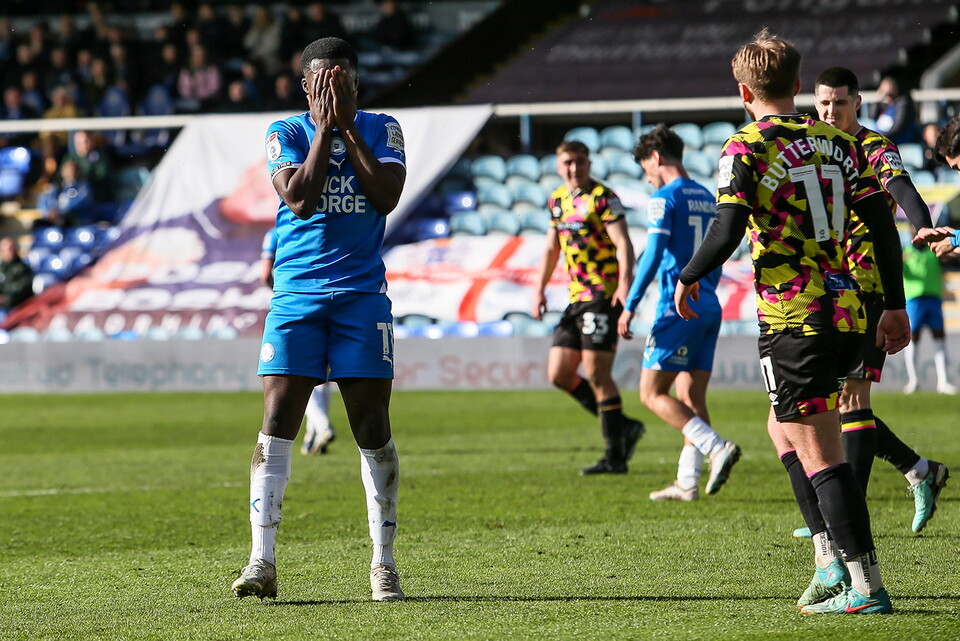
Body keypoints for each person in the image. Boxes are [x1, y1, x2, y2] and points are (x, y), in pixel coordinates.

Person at [675, 29, 910, 614]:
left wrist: (688, 275)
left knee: (821, 451)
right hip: (848, 307)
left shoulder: (746, 145)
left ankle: (862, 585)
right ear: (801, 86)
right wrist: (896, 305)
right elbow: (883, 228)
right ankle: (831, 558)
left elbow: (726, 232)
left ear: (742, 90)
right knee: (784, 430)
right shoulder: (840, 142)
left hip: (794, 314)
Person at [231, 37, 407, 603]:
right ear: (305, 85)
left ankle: (383, 564)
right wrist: (326, 130)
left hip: (360, 297)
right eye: (320, 83)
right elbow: (301, 199)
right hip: (297, 297)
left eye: (342, 82)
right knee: (277, 421)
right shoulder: (284, 133)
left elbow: (384, 196)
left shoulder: (384, 129)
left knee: (371, 427)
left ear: (356, 84)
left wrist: (347, 128)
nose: (330, 92)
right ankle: (262, 561)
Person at [812, 66, 950, 533]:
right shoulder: (808, 147)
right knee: (823, 404)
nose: (832, 111)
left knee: (850, 399)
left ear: (858, 105)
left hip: (866, 290)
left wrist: (919, 222)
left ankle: (844, 518)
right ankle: (919, 470)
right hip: (819, 289)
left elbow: (902, 187)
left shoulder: (872, 148)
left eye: (841, 103)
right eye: (825, 103)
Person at [617, 124, 741, 501]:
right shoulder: (708, 195)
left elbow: (653, 254)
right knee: (691, 395)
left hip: (677, 306)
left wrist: (630, 304)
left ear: (655, 158)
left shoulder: (663, 198)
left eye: (645, 169)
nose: (647, 177)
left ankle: (716, 447)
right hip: (708, 304)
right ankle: (688, 480)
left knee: (650, 393)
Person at [533, 139, 645, 476]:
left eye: (580, 161)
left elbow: (623, 244)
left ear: (589, 163)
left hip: (601, 295)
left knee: (597, 374)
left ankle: (615, 456)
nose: (574, 168)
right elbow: (552, 248)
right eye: (568, 162)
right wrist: (539, 289)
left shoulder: (603, 197)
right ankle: (622, 426)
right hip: (574, 299)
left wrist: (625, 286)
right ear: (558, 166)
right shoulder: (557, 200)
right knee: (559, 373)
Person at [259, 226, 338, 455]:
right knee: (323, 374)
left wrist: (284, 292)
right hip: (334, 302)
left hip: (294, 307)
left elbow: (265, 273)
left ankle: (321, 425)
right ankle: (313, 434)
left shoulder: (276, 231)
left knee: (297, 373)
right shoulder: (324, 225)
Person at [902, 232, 956, 395]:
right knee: (912, 339)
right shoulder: (904, 252)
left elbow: (948, 259)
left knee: (939, 337)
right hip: (913, 300)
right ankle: (913, 380)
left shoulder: (934, 250)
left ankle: (943, 382)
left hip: (933, 298)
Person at [870, 75, 919, 146]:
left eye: (889, 94)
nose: (887, 96)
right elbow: (872, 117)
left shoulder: (903, 103)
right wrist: (878, 99)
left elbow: (898, 127)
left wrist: (882, 136)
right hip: (882, 138)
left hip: (898, 138)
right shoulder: (884, 105)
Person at [0, 237, 34, 322]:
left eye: (11, 248)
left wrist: (4, 299)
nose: (9, 252)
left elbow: (20, 288)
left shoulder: (23, 268)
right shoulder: (1, 268)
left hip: (18, 306)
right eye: (5, 250)